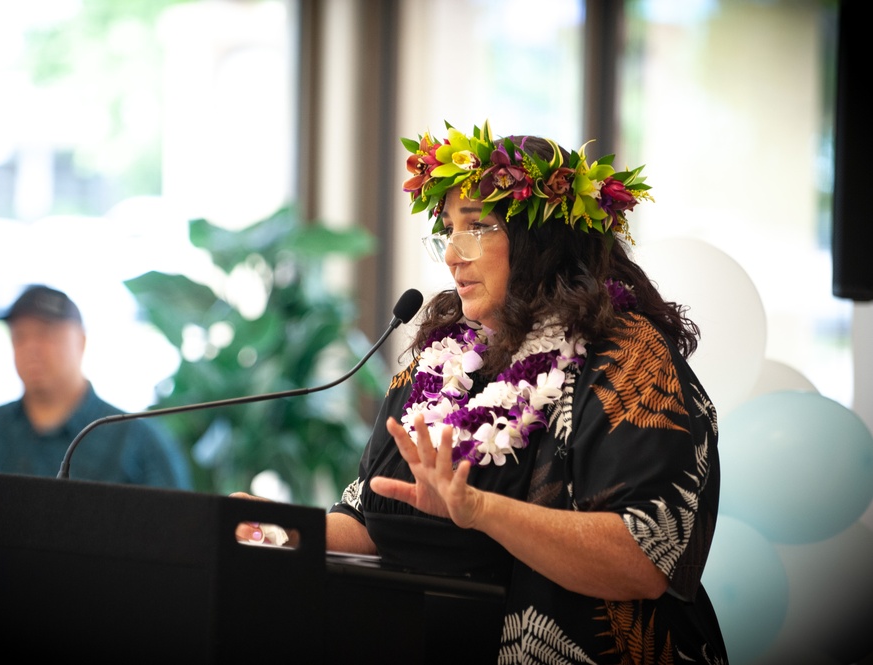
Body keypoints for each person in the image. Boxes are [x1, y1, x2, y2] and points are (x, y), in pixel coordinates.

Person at [237, 121, 727, 662]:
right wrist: (282, 528)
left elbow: (643, 560)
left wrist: (479, 509)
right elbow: (371, 514)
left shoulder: (628, 359)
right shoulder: (441, 359)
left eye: (478, 227)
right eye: (448, 230)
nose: (452, 254)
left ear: (544, 241)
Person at [0, 284, 192, 489]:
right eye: (20, 336)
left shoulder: (138, 442)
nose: (31, 347)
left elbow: (177, 533)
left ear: (81, 341)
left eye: (45, 334)